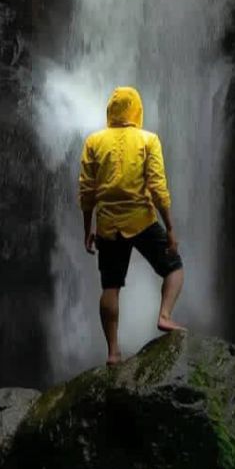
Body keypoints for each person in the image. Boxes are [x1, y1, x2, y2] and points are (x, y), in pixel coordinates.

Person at [79, 86, 185, 365]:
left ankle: (113, 352)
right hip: (143, 220)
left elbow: (86, 191)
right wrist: (170, 227)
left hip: (107, 225)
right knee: (174, 268)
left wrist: (87, 228)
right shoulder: (148, 140)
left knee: (110, 287)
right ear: (137, 110)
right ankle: (164, 315)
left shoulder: (94, 141)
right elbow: (158, 187)